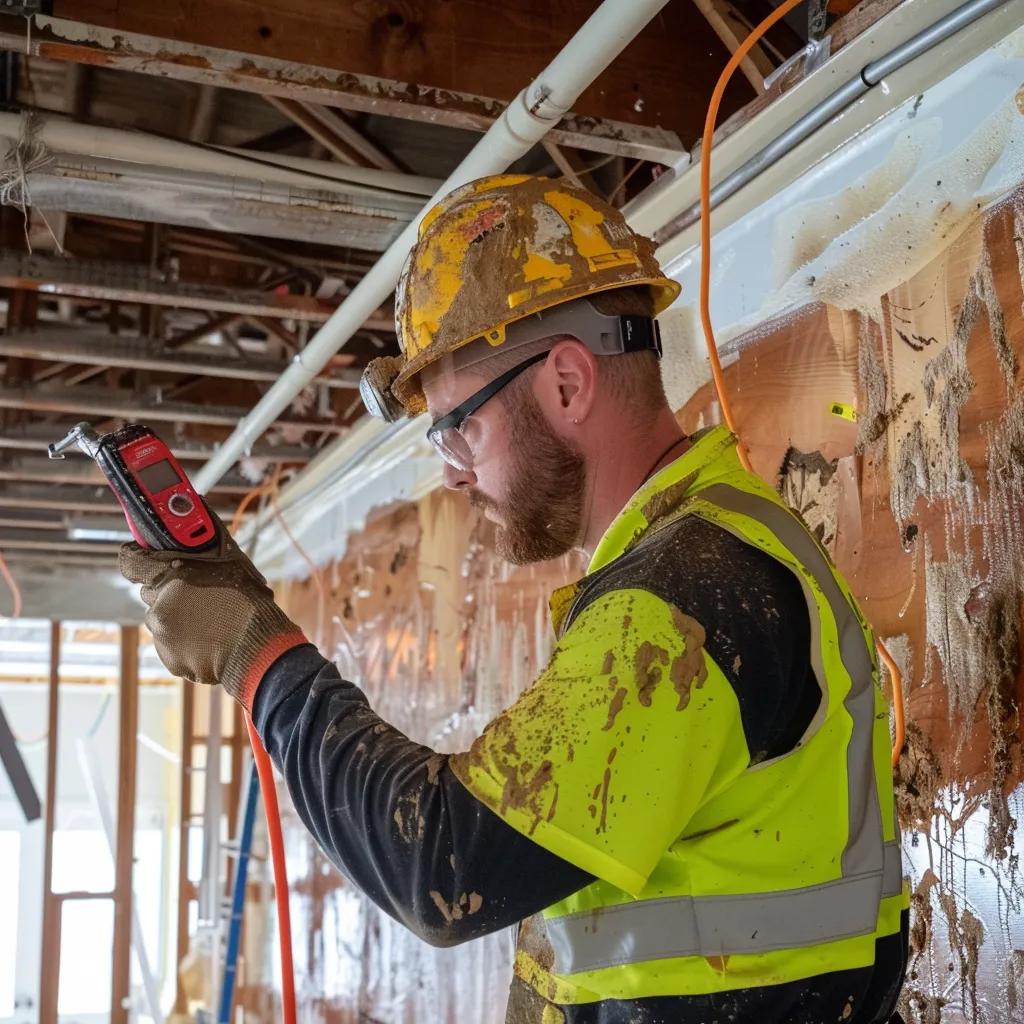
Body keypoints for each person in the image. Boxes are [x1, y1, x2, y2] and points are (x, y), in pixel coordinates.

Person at [121, 175, 909, 1023]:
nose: (451, 470)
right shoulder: (721, 550)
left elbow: (444, 865)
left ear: (567, 383)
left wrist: (257, 655)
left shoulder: (681, 599)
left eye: (460, 424)